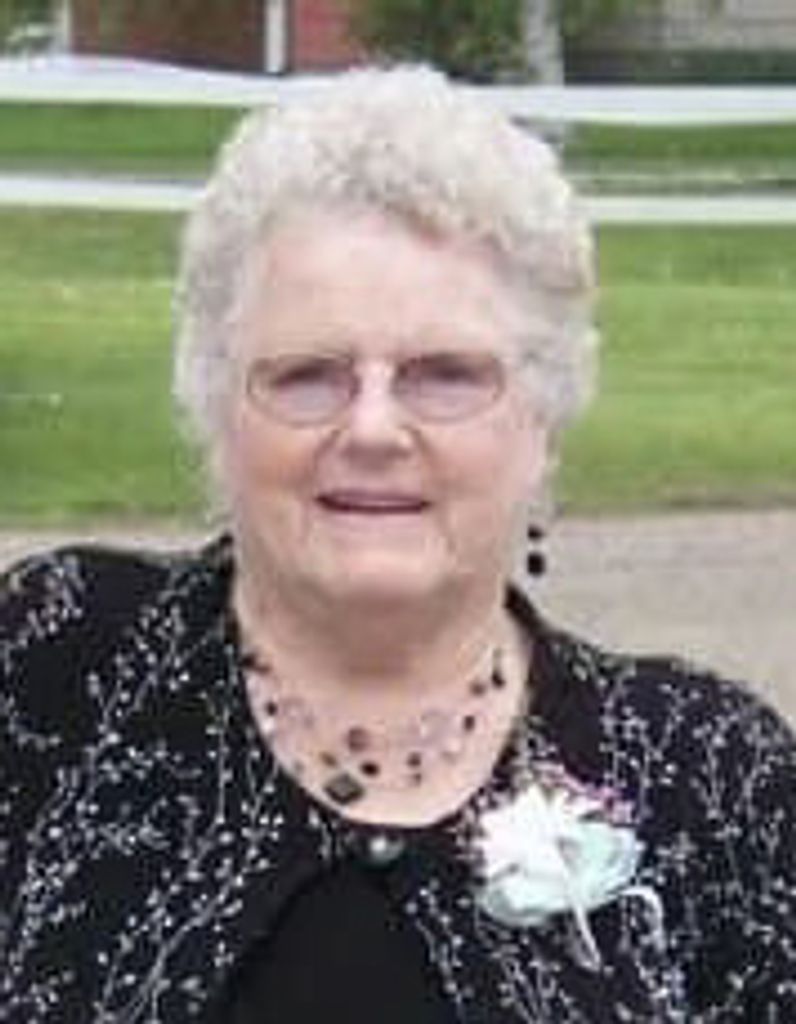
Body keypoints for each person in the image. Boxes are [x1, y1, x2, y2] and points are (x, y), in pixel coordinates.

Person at [1, 67, 794, 1024]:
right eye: (308, 376)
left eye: (444, 376)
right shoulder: (50, 665)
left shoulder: (709, 775)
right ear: (216, 408)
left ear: (543, 415)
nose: (373, 429)